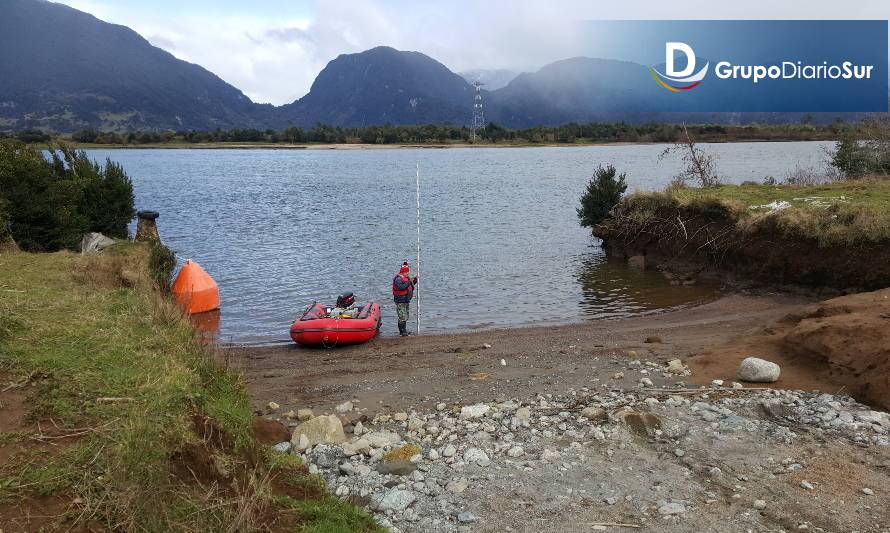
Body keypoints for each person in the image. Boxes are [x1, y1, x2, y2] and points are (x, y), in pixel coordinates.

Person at [392, 261, 418, 336]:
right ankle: (402, 332)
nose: (408, 274)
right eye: (406, 272)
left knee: (406, 316)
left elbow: (410, 284)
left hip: (406, 300)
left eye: (408, 272)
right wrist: (410, 281)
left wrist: (415, 279)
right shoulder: (398, 279)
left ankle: (404, 330)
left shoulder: (406, 278)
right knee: (402, 316)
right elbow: (402, 287)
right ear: (402, 272)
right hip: (400, 300)